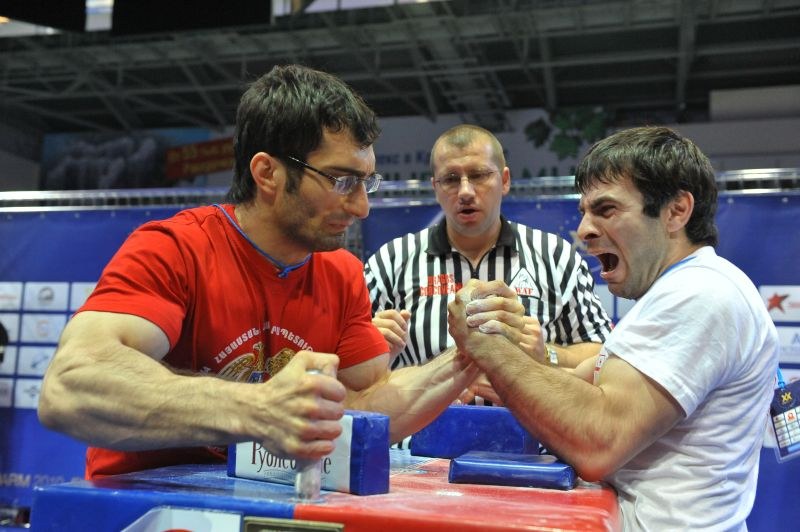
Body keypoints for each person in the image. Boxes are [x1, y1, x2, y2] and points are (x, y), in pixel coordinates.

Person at [37, 65, 530, 479]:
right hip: (145, 511)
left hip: (274, 510)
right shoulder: (174, 248)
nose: (361, 208)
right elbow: (71, 387)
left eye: (366, 183)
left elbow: (367, 409)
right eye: (341, 181)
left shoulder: (340, 272)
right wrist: (261, 409)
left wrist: (472, 352)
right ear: (267, 173)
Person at [448, 126, 779, 530]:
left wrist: (489, 346)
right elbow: (572, 388)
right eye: (585, 211)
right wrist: (508, 356)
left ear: (676, 211)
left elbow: (597, 440)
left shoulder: (701, 294)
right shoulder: (672, 292)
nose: (585, 229)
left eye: (605, 210)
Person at [365, 124, 611, 377]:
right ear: (435, 188)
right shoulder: (390, 262)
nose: (465, 192)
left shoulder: (556, 257)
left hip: (527, 417)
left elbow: (602, 352)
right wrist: (369, 345)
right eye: (450, 179)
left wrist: (547, 354)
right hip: (427, 418)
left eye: (478, 175)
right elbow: (346, 359)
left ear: (504, 181)